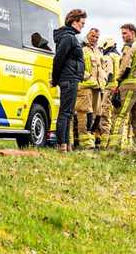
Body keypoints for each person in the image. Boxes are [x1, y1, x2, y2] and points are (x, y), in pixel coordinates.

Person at [49, 9, 86, 152]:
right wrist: (55, 79)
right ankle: (61, 146)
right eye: (81, 23)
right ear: (74, 21)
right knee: (65, 113)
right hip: (68, 79)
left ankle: (66, 145)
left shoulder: (71, 37)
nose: (83, 26)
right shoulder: (68, 37)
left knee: (68, 113)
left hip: (72, 78)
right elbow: (58, 59)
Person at [108, 23, 136, 149]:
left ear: (133, 33)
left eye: (125, 33)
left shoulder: (130, 47)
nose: (123, 36)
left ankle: (113, 147)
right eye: (122, 34)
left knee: (119, 115)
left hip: (129, 84)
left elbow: (125, 67)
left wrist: (117, 83)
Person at [74, 28, 102, 149]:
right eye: (92, 36)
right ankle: (84, 143)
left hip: (97, 87)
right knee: (84, 114)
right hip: (85, 86)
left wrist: (103, 81)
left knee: (95, 115)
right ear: (87, 35)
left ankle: (89, 140)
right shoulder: (81, 49)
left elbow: (102, 68)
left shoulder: (98, 51)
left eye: (96, 37)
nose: (94, 38)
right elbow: (77, 66)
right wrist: (88, 77)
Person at [94, 33, 119, 149]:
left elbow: (109, 73)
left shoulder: (108, 57)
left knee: (104, 114)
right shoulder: (119, 56)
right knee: (116, 116)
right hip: (119, 89)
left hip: (109, 88)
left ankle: (104, 143)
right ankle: (116, 142)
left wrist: (103, 86)